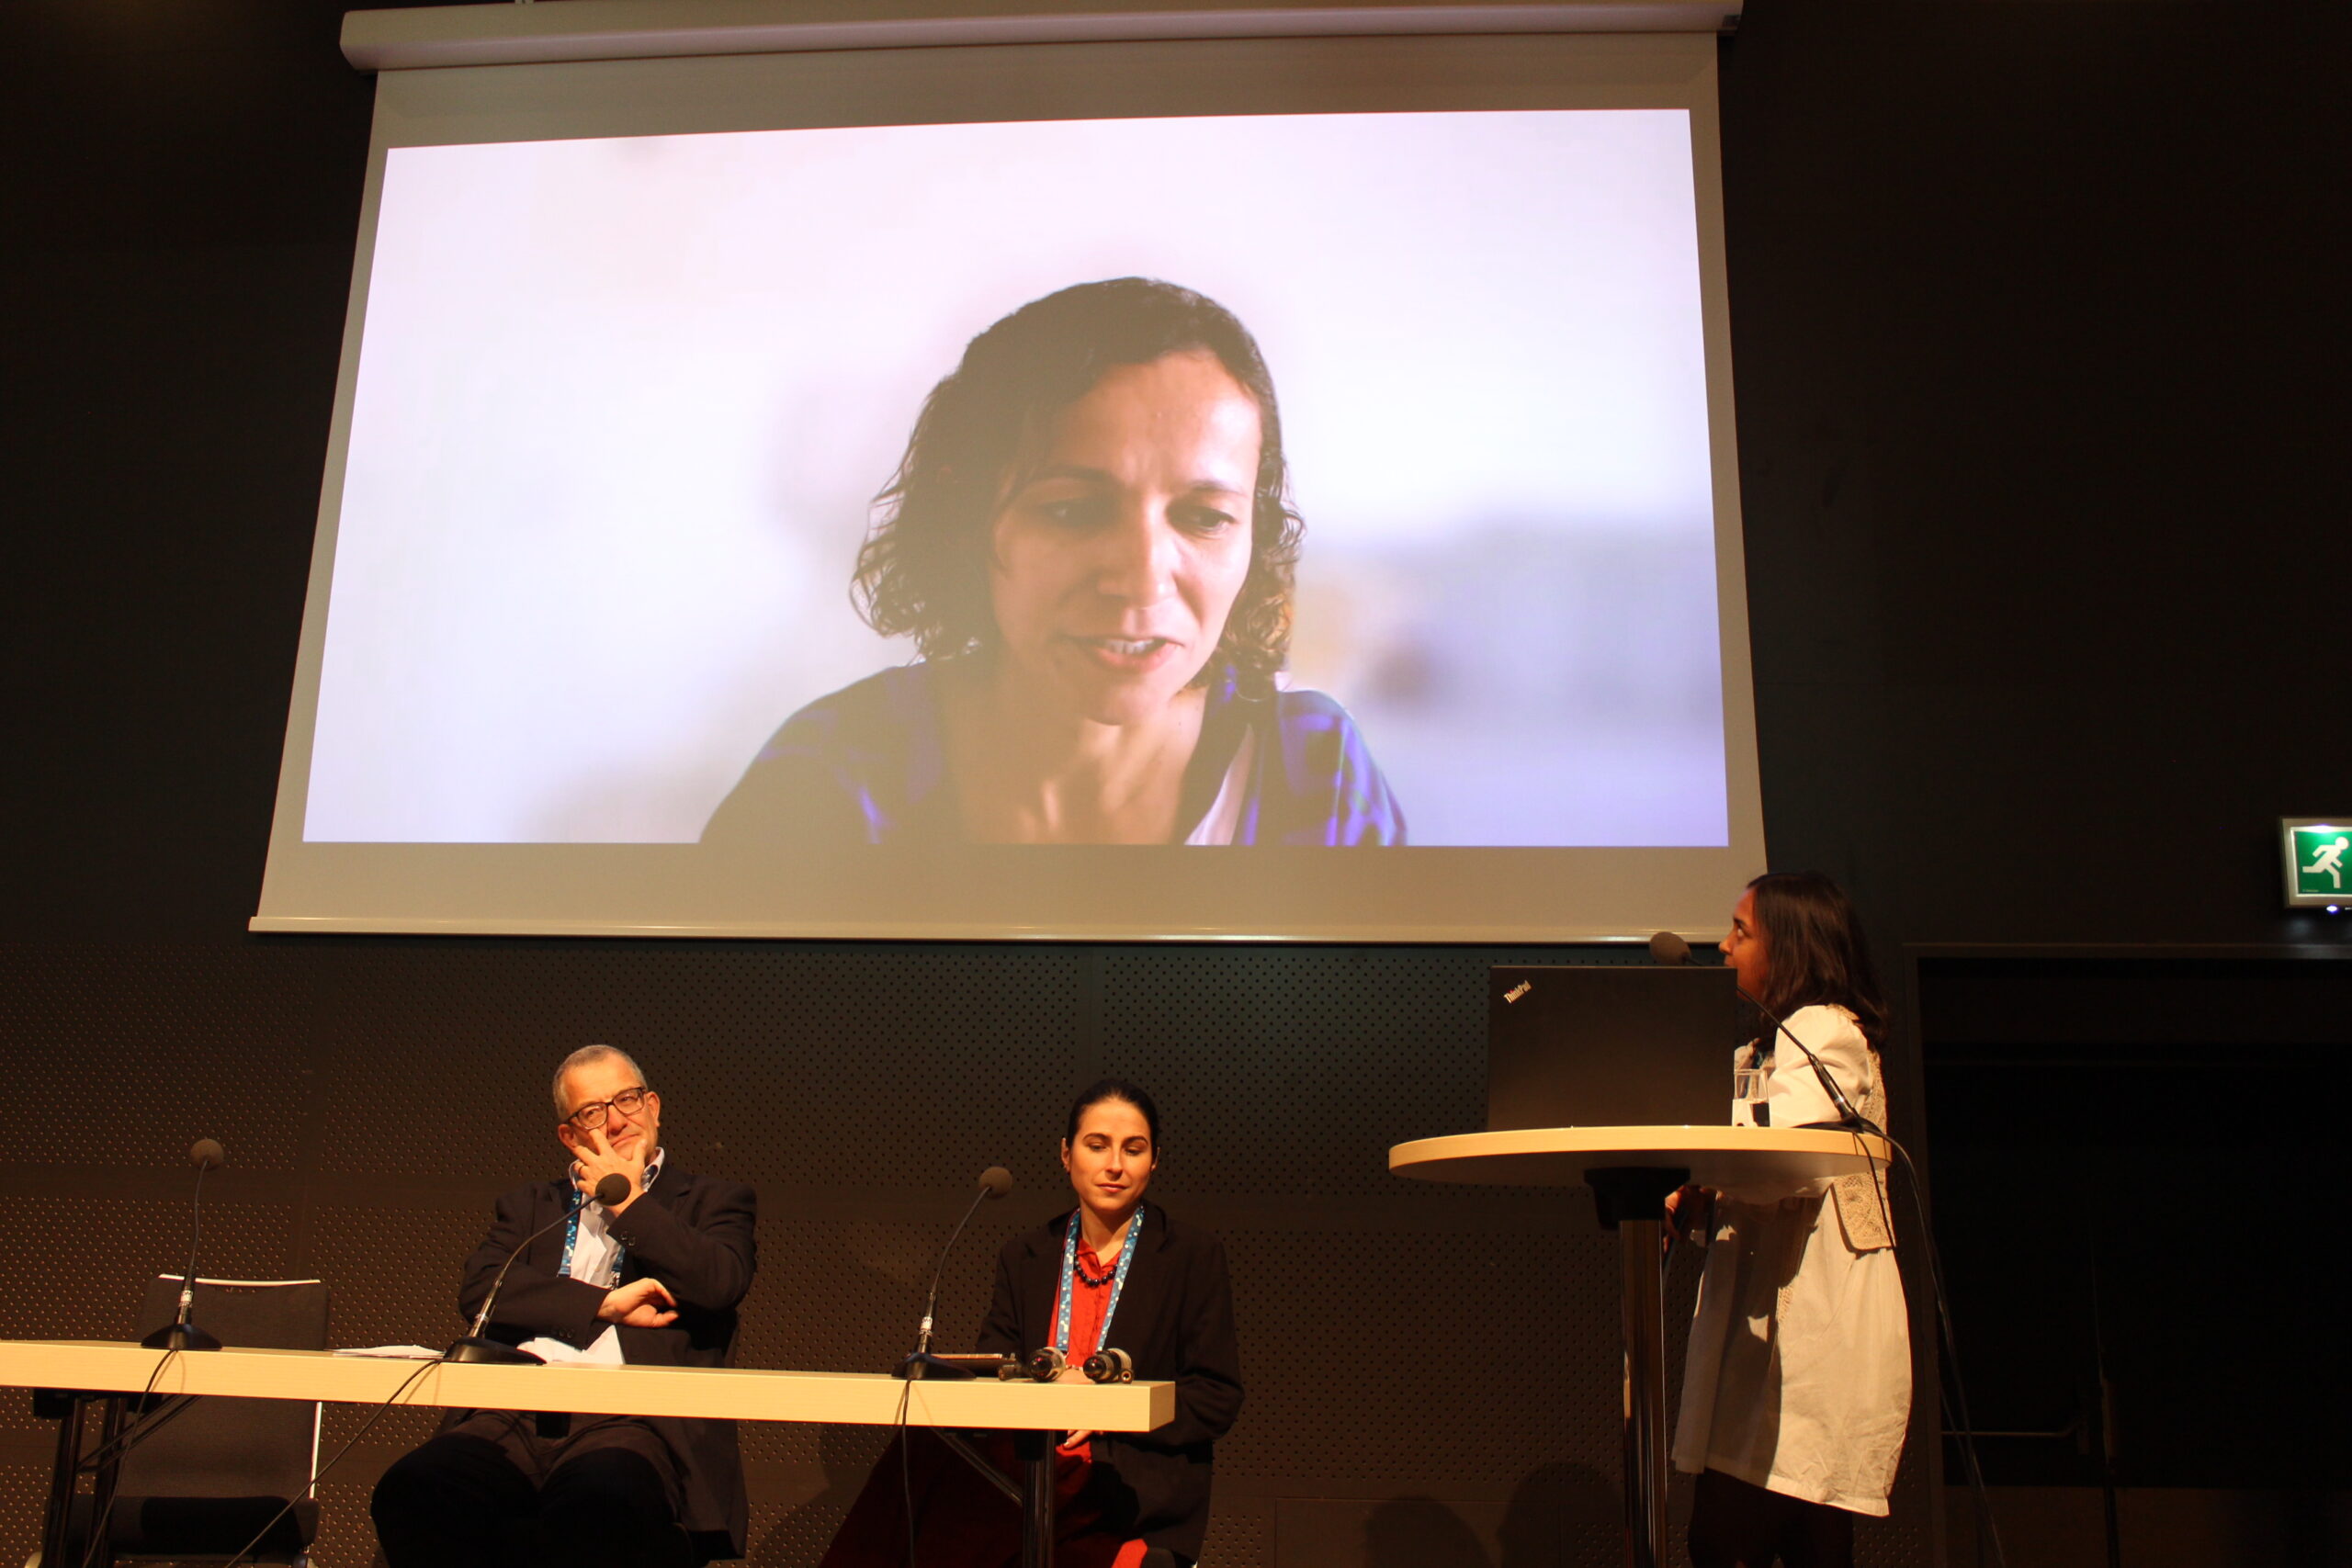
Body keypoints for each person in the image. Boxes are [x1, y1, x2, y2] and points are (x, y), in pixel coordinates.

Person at [702, 276, 1404, 847]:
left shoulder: (1313, 777)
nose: (1142, 578)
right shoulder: (831, 780)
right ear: (968, 516)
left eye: (1204, 517)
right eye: (1073, 510)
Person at [820, 1078, 1243, 1568]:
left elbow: (1216, 1397)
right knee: (921, 1449)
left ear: (1154, 1161)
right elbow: (995, 1371)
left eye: (1133, 1149)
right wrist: (1045, 1388)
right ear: (1066, 1155)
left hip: (1124, 1478)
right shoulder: (1027, 1255)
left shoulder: (1191, 1256)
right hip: (1030, 1462)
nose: (1115, 1165)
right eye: (1097, 1145)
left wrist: (1108, 1410)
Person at [370, 1045, 758, 1568]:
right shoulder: (535, 1205)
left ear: (653, 1108)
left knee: (602, 1502)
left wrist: (627, 1203)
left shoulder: (712, 1200)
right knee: (417, 1488)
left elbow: (719, 1282)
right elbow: (483, 1288)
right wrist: (604, 1305)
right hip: (512, 1410)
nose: (616, 1121)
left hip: (630, 1419)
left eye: (627, 1100)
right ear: (570, 1136)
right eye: (593, 1112)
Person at [1665, 873, 1910, 1568]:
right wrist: (1696, 1191)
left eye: (1741, 931)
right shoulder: (1760, 1052)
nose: (1723, 944)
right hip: (1767, 1326)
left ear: (1791, 948)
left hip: (1814, 1326)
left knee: (1740, 1536)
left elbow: (1780, 1155)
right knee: (1793, 1539)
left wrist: (1693, 1159)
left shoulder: (1826, 1030)